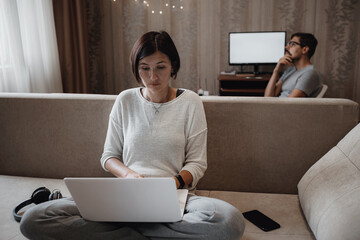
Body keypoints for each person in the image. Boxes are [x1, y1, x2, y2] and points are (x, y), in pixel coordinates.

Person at [20, 31, 245, 240]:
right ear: (136, 69)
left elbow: (197, 163)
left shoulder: (190, 102)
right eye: (144, 68)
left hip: (177, 195)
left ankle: (122, 234)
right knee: (32, 220)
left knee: (229, 221)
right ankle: (154, 233)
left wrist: (173, 183)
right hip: (126, 196)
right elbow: (108, 157)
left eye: (160, 67)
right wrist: (129, 176)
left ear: (173, 66)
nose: (152, 76)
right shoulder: (125, 100)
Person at [264, 32, 322, 97]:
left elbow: (289, 105)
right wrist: (276, 71)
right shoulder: (290, 70)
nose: (287, 47)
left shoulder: (310, 73)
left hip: (283, 106)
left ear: (304, 50)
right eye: (289, 44)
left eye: (293, 44)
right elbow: (267, 98)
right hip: (276, 105)